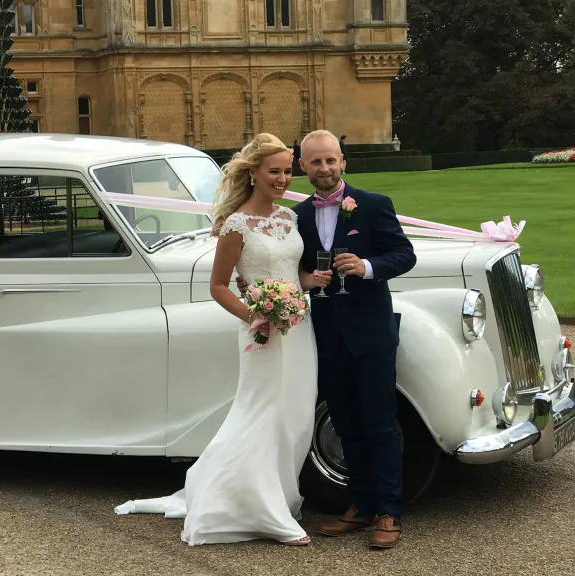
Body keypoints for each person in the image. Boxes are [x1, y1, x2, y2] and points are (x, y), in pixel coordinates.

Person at [113, 133, 332, 547]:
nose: (283, 178)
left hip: (299, 328)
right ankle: (261, 512)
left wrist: (310, 280)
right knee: (261, 412)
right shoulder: (236, 225)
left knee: (295, 416)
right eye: (275, 171)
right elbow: (219, 286)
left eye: (287, 170)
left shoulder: (288, 218)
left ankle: (279, 499)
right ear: (253, 173)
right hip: (261, 331)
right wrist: (255, 315)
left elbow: (290, 273)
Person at [240, 129, 416, 548]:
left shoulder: (372, 205)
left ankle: (389, 512)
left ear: (343, 162)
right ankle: (359, 505)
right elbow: (286, 270)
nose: (324, 168)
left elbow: (404, 254)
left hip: (370, 333)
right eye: (315, 162)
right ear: (303, 167)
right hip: (322, 334)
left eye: (331, 160)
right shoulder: (294, 216)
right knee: (345, 422)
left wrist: (369, 265)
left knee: (380, 424)